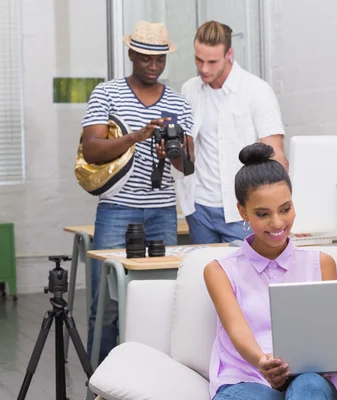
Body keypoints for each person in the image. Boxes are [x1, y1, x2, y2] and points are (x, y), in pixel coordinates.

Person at [81, 20, 193, 363]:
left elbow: (189, 167)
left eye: (160, 60)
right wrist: (136, 136)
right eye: (146, 58)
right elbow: (91, 150)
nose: (153, 66)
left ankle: (151, 374)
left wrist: (172, 153)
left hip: (162, 212)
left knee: (162, 299)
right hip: (116, 209)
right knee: (107, 303)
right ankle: (101, 383)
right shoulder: (107, 93)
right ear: (131, 53)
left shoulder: (179, 102)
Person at [203, 143, 337, 400]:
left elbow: (330, 335)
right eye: (263, 214)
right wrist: (262, 363)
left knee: (308, 387)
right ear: (242, 211)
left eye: (285, 209)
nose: (277, 223)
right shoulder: (220, 271)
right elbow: (237, 330)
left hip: (307, 380)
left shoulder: (322, 263)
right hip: (244, 378)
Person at [174, 20, 288, 245]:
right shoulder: (190, 90)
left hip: (243, 209)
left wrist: (281, 212)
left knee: (251, 275)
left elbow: (277, 157)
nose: (204, 69)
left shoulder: (256, 90)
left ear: (229, 54)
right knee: (203, 276)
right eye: (199, 60)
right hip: (199, 208)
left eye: (212, 61)